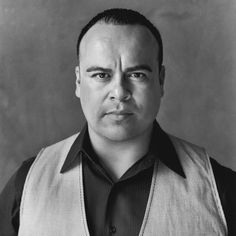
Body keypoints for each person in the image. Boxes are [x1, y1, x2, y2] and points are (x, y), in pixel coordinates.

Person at [0, 8, 235, 236]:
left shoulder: (220, 190)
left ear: (160, 81)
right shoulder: (27, 185)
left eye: (137, 75)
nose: (119, 92)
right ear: (78, 82)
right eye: (101, 75)